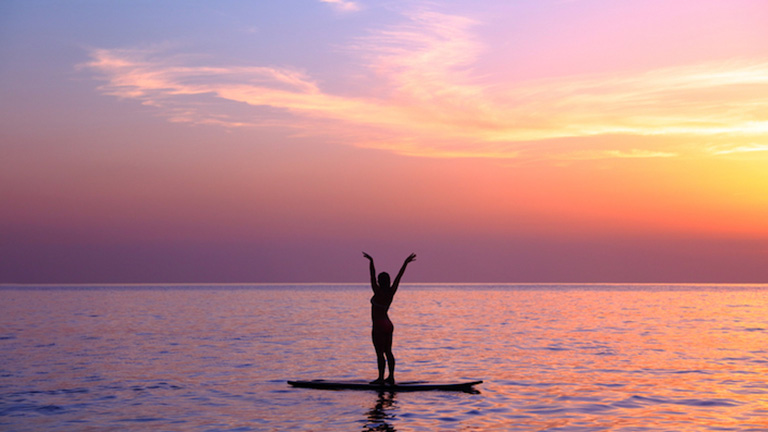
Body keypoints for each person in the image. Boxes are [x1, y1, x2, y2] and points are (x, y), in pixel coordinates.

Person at [362, 252, 416, 385]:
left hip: (379, 325)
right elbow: (399, 277)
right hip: (388, 324)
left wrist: (371, 261)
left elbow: (372, 276)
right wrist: (405, 263)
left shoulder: (377, 291)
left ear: (380, 282)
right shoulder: (391, 292)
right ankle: (391, 377)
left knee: (380, 353)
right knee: (389, 352)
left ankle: (381, 379)